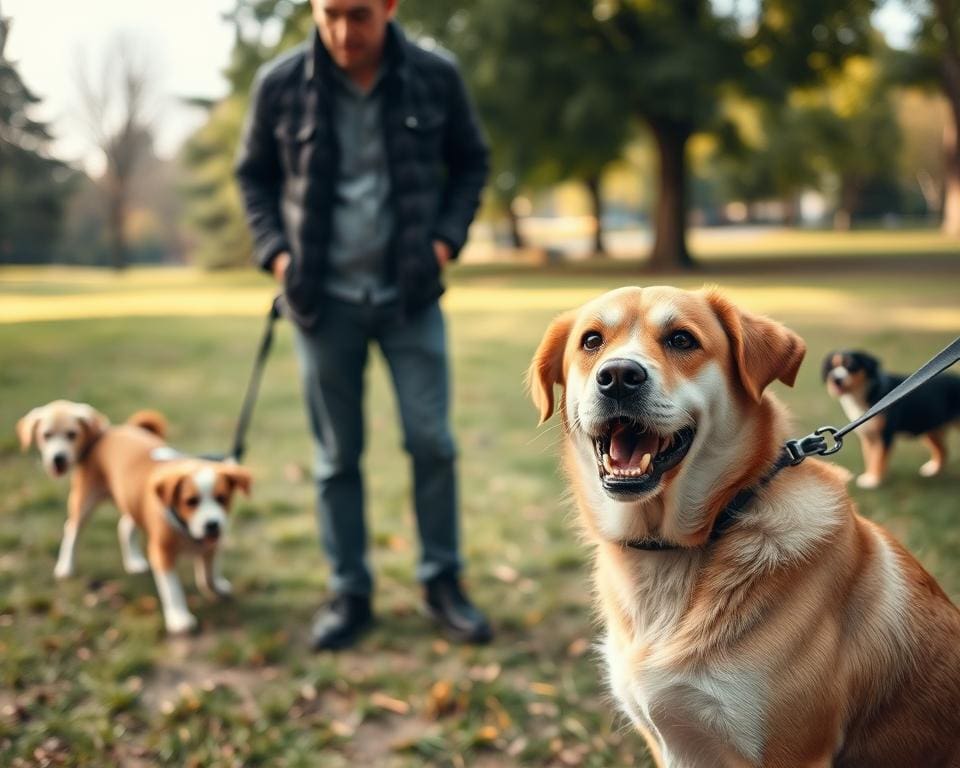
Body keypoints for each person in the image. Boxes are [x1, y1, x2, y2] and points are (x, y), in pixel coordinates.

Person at [235, 0, 492, 650]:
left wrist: (443, 242)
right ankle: (349, 592)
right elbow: (253, 178)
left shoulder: (436, 75)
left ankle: (442, 583)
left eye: (359, 15)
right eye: (330, 15)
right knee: (335, 458)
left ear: (390, 7)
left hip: (411, 297)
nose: (345, 32)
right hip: (323, 303)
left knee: (432, 443)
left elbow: (472, 163)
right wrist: (279, 256)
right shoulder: (280, 83)